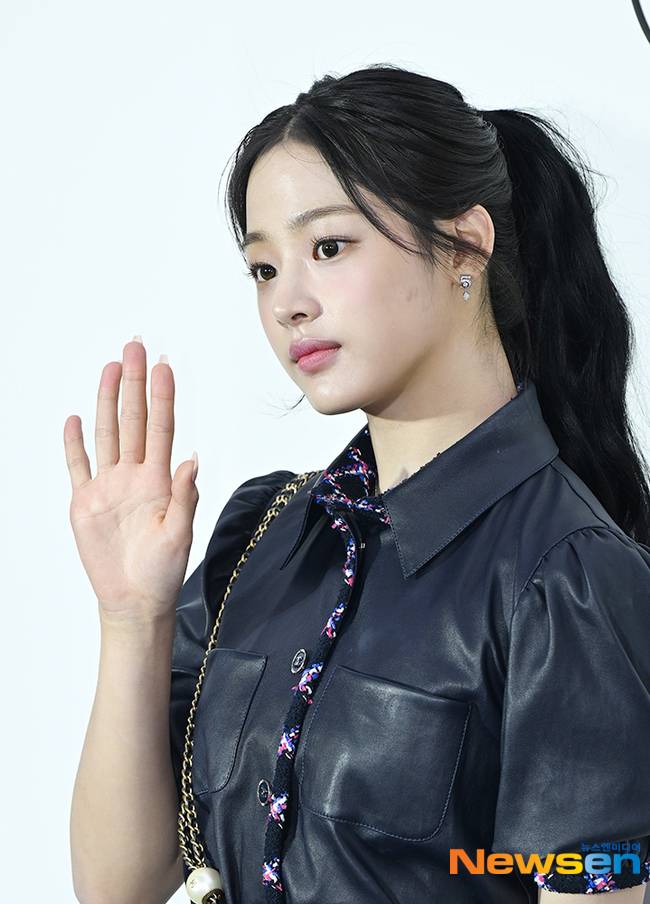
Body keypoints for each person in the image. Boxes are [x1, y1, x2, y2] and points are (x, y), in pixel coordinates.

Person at [66, 64, 650, 904]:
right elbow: (118, 887)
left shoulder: (571, 580)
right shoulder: (262, 537)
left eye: (328, 248)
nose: (288, 304)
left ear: (465, 244)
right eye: (264, 269)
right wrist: (132, 619)